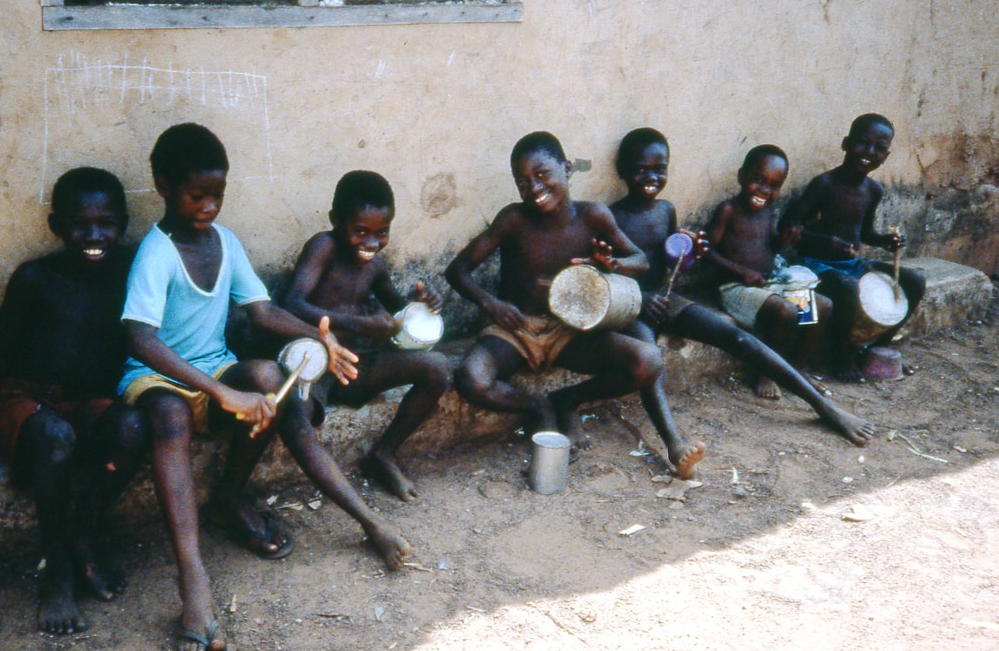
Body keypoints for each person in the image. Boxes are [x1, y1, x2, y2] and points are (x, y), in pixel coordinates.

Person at [121, 123, 408, 651]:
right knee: (167, 414)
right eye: (195, 195)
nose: (208, 207)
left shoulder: (225, 243)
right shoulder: (156, 253)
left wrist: (315, 338)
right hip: (157, 376)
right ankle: (194, 586)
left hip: (211, 368)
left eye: (217, 196)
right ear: (162, 184)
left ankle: (236, 495)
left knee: (275, 380)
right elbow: (139, 339)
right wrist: (219, 392)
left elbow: (263, 310)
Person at [0, 167, 147, 635]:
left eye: (106, 223)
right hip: (26, 401)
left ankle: (83, 534)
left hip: (89, 402)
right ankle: (58, 569)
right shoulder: (35, 279)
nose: (94, 235)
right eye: (79, 224)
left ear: (124, 223)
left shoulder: (133, 268)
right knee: (54, 435)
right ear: (55, 227)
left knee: (132, 427)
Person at [611, 129, 874, 456]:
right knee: (651, 360)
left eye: (659, 169)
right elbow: (610, 272)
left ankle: (822, 405)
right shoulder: (611, 216)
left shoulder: (666, 210)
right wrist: (642, 299)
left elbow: (674, 261)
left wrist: (691, 251)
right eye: (640, 169)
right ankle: (674, 444)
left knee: (735, 336)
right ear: (621, 170)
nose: (651, 177)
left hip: (667, 298)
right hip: (635, 305)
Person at [445, 131, 663, 458]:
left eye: (543, 174)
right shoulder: (513, 220)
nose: (534, 188)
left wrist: (612, 264)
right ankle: (538, 408)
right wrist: (491, 303)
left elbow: (641, 261)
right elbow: (457, 270)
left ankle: (568, 400)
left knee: (648, 361)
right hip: (515, 330)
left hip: (570, 329)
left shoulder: (594, 217)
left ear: (567, 167)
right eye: (523, 182)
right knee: (471, 378)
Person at [284, 170, 451, 502]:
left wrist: (422, 304)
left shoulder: (374, 265)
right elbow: (291, 304)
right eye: (360, 231)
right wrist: (359, 324)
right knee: (294, 415)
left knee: (438, 368)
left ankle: (384, 455)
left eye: (382, 232)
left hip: (357, 367)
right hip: (319, 365)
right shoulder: (324, 247)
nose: (372, 243)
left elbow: (398, 310)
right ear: (336, 220)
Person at [780, 114, 925, 379]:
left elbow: (865, 233)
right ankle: (841, 357)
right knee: (849, 288)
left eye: (879, 148)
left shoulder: (873, 190)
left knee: (913, 281)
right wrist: (826, 242)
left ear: (886, 156)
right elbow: (789, 226)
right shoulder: (825, 184)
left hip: (850, 266)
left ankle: (877, 349)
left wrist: (885, 241)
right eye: (862, 143)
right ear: (846, 143)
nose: (870, 152)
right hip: (815, 266)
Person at [704, 145, 835, 390]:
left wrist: (782, 239)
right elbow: (706, 252)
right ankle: (767, 373)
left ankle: (794, 370)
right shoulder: (729, 210)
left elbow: (769, 246)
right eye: (758, 180)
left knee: (821, 305)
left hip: (768, 283)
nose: (765, 190)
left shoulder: (766, 212)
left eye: (774, 186)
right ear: (742, 177)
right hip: (735, 287)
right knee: (785, 311)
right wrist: (740, 272)